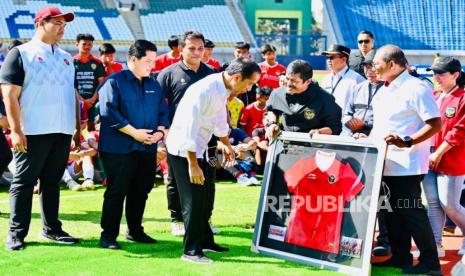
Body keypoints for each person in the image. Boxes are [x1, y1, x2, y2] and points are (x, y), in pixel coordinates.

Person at [166, 57, 261, 264]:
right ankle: (191, 251)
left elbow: (219, 119)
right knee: (193, 200)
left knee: (206, 196)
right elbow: (189, 129)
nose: (250, 88)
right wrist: (192, 164)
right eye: (250, 83)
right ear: (237, 77)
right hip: (184, 151)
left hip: (202, 147)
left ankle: (206, 241)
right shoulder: (205, 90)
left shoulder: (223, 88)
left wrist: (226, 143)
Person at [0, 6, 80, 251]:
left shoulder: (67, 57)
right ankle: (16, 234)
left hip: (62, 130)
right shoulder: (21, 53)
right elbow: (9, 95)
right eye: (56, 23)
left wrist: (76, 129)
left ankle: (52, 229)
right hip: (32, 131)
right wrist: (16, 130)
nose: (61, 28)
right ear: (40, 23)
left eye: (64, 24)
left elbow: (73, 95)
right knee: (23, 183)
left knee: (52, 182)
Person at [369, 45, 442, 275]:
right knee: (392, 213)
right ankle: (402, 257)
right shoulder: (383, 89)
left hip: (406, 164)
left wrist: (407, 141)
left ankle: (431, 264)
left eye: (376, 64)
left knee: (411, 212)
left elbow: (435, 123)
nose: (373, 68)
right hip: (384, 162)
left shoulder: (416, 87)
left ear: (392, 64)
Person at [98, 39, 169, 249]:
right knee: (117, 191)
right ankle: (108, 235)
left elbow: (163, 112)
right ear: (133, 59)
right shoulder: (114, 82)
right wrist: (134, 133)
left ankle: (135, 231)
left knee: (141, 190)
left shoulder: (153, 84)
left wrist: (159, 133)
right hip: (119, 148)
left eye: (154, 61)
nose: (152, 65)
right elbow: (109, 112)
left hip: (147, 147)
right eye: (148, 61)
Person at [157, 31, 217, 236]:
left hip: (208, 138)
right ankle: (178, 219)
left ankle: (205, 219)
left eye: (200, 48)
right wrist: (162, 136)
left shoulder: (212, 74)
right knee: (176, 180)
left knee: (208, 179)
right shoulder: (168, 74)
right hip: (178, 139)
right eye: (191, 48)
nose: (196, 52)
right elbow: (159, 108)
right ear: (181, 49)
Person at [421, 57, 465, 257]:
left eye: (441, 73)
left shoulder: (462, 98)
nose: (436, 77)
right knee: (433, 203)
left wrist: (438, 153)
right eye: (434, 73)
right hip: (429, 159)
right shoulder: (434, 96)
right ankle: (435, 246)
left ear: (455, 75)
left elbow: (459, 131)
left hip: (452, 161)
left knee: (450, 205)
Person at [266, 59, 342, 139]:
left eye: (294, 81)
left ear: (308, 81)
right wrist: (272, 123)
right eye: (287, 79)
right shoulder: (278, 93)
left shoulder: (325, 99)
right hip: (285, 144)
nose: (288, 84)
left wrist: (319, 132)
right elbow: (271, 109)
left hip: (313, 146)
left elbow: (335, 127)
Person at [342, 52, 383, 136]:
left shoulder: (390, 89)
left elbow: (389, 121)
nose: (370, 71)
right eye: (367, 67)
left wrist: (365, 125)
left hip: (376, 138)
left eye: (373, 66)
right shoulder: (358, 88)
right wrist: (351, 123)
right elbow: (347, 114)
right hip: (354, 136)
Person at [74, 33, 105, 132]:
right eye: (84, 44)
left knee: (92, 129)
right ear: (77, 44)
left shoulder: (97, 62)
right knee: (76, 129)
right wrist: (81, 100)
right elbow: (69, 84)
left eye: (90, 44)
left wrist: (93, 98)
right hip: (76, 102)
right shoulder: (71, 62)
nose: (87, 46)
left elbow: (101, 82)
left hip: (93, 102)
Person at [321, 44, 364, 112]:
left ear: (344, 59)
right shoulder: (326, 79)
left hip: (346, 121)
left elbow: (362, 106)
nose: (328, 60)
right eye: (327, 57)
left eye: (332, 57)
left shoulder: (357, 79)